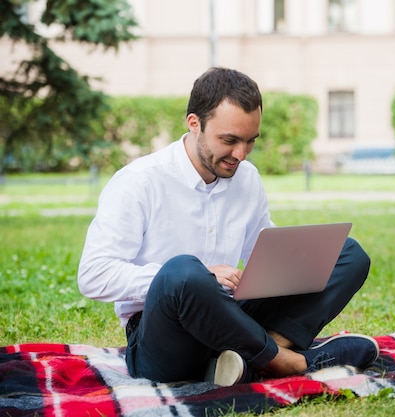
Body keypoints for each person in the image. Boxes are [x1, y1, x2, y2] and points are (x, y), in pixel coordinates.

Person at [77, 67, 378, 385]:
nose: (241, 154)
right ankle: (283, 361)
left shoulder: (247, 177)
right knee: (184, 274)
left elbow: (263, 254)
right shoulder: (138, 182)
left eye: (250, 141)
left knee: (347, 254)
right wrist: (202, 276)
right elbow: (94, 275)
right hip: (162, 336)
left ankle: (248, 357)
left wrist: (298, 257)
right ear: (194, 124)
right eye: (229, 140)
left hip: (231, 312)